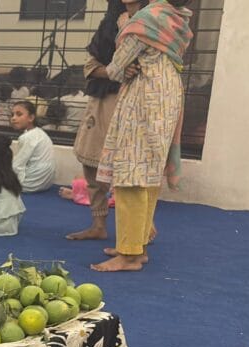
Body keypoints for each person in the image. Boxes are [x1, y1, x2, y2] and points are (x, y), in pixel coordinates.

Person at [93, 0, 194, 273]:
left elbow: (115, 68)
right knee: (148, 177)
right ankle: (138, 246)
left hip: (144, 100)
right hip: (167, 97)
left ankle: (129, 255)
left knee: (132, 177)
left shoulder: (145, 20)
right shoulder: (177, 18)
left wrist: (124, 27)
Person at [68, 0, 148, 241]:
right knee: (91, 164)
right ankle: (98, 225)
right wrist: (116, 71)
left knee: (131, 171)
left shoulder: (154, 21)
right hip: (104, 100)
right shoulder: (110, 22)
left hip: (137, 104)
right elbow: (91, 66)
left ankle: (142, 231)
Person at [10, 100, 56, 193]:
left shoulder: (27, 137)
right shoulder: (39, 132)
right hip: (46, 183)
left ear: (31, 118)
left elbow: (18, 165)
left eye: (19, 114)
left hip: (31, 184)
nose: (13, 118)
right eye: (12, 115)